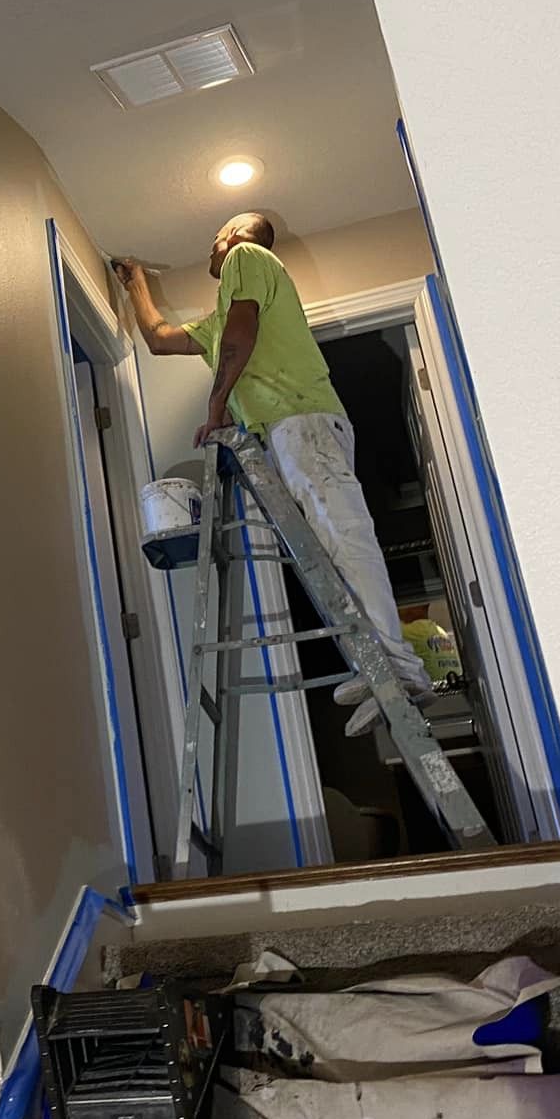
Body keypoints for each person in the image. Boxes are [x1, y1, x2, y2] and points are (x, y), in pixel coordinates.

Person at [113, 213, 429, 735]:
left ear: (236, 236)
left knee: (344, 540)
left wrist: (216, 405)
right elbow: (161, 340)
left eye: (218, 234)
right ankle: (376, 669)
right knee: (323, 555)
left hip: (302, 422)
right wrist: (137, 286)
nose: (212, 244)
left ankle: (399, 670)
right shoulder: (218, 321)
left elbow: (244, 329)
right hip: (287, 433)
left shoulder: (248, 257)